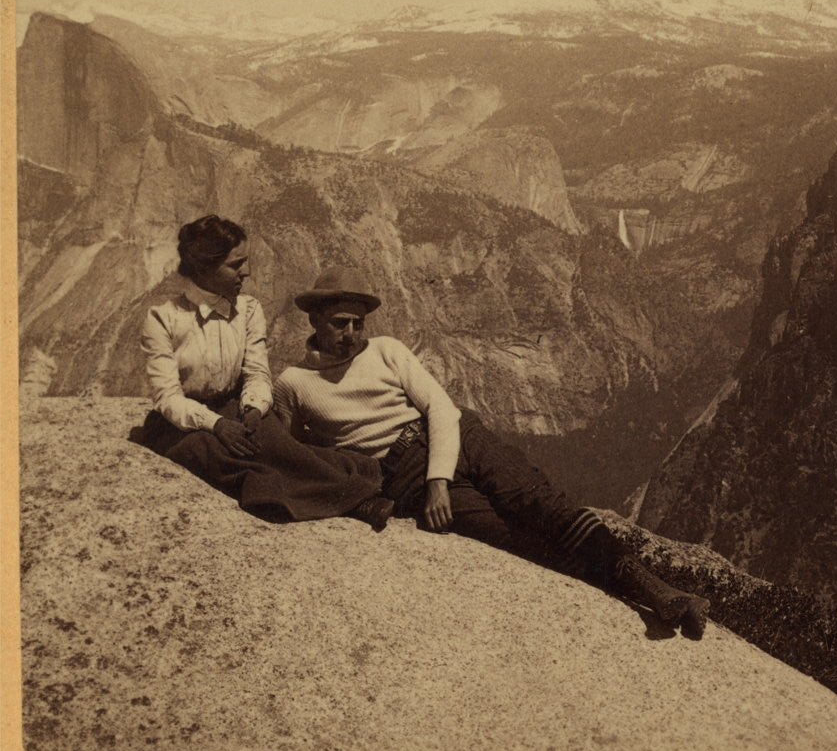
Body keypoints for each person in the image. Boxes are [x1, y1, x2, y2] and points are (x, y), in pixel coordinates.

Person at [273, 266, 711, 639]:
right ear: (314, 320)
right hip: (401, 474)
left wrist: (438, 481)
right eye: (339, 323)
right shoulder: (293, 383)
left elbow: (440, 406)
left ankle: (657, 591)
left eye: (358, 323)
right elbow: (295, 456)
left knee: (543, 504)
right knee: (516, 539)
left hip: (458, 436)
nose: (351, 334)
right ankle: (641, 591)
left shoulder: (388, 351)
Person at [138, 216, 394, 530]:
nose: (245, 272)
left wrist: (254, 408)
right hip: (180, 424)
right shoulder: (163, 319)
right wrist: (215, 425)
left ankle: (351, 482)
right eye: (236, 265)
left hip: (234, 407)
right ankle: (358, 497)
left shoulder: (247, 310)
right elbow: (167, 397)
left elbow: (257, 371)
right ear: (205, 267)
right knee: (221, 457)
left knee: (275, 446)